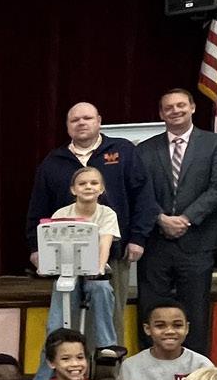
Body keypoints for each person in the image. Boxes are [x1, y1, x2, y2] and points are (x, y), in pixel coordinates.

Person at [135, 89, 217, 351]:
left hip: (197, 242)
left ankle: (195, 369)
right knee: (150, 310)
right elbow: (140, 190)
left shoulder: (214, 144)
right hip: (156, 243)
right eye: (168, 107)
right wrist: (161, 218)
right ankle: (150, 366)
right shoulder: (144, 149)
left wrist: (186, 219)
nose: (175, 111)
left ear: (192, 107)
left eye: (180, 105)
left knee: (195, 312)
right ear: (161, 113)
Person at [25, 102, 156, 265]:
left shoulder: (123, 150)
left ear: (99, 121)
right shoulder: (53, 161)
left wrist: (138, 238)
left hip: (114, 251)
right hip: (65, 254)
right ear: (67, 126)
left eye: (87, 118)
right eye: (75, 120)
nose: (81, 123)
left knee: (112, 283)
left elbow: (144, 197)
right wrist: (36, 247)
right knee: (66, 283)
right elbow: (38, 206)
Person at [30, 165, 122, 380]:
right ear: (73, 189)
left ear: (102, 189)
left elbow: (105, 243)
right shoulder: (61, 214)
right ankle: (44, 378)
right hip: (66, 271)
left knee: (101, 289)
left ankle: (106, 346)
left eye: (94, 183)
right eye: (82, 183)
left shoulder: (107, 214)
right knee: (56, 324)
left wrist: (99, 267)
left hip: (94, 271)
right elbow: (51, 244)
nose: (88, 187)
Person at [115, 299, 212, 380]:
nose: (169, 331)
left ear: (187, 328)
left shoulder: (202, 365)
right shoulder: (131, 366)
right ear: (147, 329)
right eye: (160, 326)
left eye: (177, 325)